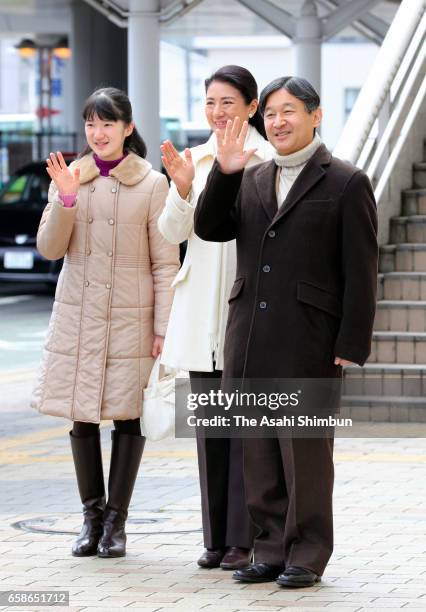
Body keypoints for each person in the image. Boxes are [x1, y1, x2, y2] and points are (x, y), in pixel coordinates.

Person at [194, 76, 378, 586]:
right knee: (258, 452)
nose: (277, 121)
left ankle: (308, 553)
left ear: (316, 116)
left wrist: (350, 343)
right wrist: (225, 175)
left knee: (306, 455)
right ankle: (269, 549)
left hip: (309, 339)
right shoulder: (250, 178)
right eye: (270, 113)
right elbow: (210, 228)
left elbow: (362, 271)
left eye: (289, 111)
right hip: (251, 334)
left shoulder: (345, 180)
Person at [31, 87, 179, 559]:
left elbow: (164, 264)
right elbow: (50, 249)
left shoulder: (154, 185)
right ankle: (90, 518)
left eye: (108, 124)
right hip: (79, 314)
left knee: (128, 416)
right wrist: (66, 201)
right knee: (81, 416)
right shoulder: (69, 177)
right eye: (91, 124)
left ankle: (117, 522)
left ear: (127, 128)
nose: (98, 134)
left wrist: (163, 327)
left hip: (131, 318)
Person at [158, 66, 273, 570]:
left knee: (247, 428)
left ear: (252, 106)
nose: (218, 111)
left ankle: (243, 540)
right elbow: (170, 232)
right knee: (211, 430)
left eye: (229, 102)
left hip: (247, 308)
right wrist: (182, 189)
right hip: (202, 306)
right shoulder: (195, 159)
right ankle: (214, 538)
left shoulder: (269, 159)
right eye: (210, 102)